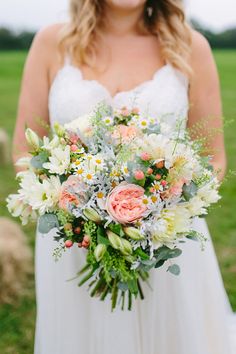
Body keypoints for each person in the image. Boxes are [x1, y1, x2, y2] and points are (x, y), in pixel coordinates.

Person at [12, 1, 236, 353]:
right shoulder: (51, 42)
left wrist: (158, 210)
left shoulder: (191, 47)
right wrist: (83, 217)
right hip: (74, 243)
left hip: (167, 241)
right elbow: (23, 154)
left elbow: (215, 159)